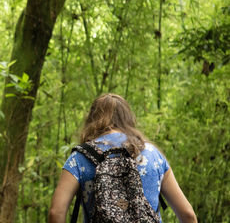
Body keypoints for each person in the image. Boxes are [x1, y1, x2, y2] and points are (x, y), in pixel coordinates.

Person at [48, 93, 197, 223]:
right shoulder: (152, 154)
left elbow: (56, 213)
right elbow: (188, 215)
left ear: (92, 120)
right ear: (128, 119)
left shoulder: (80, 158)